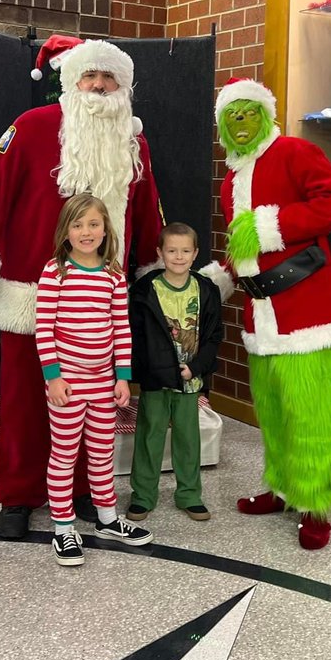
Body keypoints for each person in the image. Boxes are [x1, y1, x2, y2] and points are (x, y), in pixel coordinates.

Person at [0, 36, 164, 541]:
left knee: (96, 408)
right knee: (27, 402)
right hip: (34, 293)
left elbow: (146, 208)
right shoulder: (31, 128)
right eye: (89, 76)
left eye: (108, 78)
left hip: (101, 303)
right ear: (70, 82)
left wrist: (155, 268)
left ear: (123, 86)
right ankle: (19, 496)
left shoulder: (134, 144)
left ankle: (86, 494)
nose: (97, 85)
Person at [203, 77, 331, 551]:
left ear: (265, 114)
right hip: (262, 317)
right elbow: (243, 247)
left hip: (309, 314)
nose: (242, 123)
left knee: (312, 413)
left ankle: (316, 505)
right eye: (232, 116)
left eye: (249, 112)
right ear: (223, 127)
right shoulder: (232, 179)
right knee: (273, 412)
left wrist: (271, 225)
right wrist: (216, 281)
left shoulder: (294, 152)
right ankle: (283, 488)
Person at [35, 193, 154, 566]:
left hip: (104, 383)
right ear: (65, 231)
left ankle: (107, 519)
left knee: (103, 453)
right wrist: (53, 378)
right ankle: (63, 528)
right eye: (77, 224)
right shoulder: (56, 271)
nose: (86, 232)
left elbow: (121, 327)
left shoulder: (113, 274)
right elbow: (43, 329)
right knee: (65, 455)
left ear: (105, 229)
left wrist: (123, 378)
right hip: (67, 384)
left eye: (93, 224)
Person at [126, 222, 223, 522]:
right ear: (160, 252)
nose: (178, 257)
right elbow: (137, 336)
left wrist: (195, 367)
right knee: (149, 435)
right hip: (156, 377)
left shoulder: (206, 290)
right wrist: (145, 371)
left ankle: (189, 494)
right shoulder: (145, 290)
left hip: (190, 378)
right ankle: (142, 495)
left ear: (195, 254)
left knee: (187, 437)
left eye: (185, 251)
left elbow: (213, 335)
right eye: (171, 250)